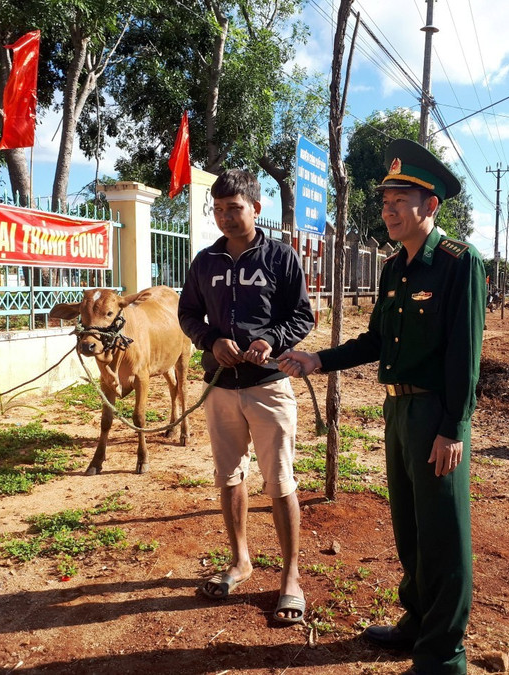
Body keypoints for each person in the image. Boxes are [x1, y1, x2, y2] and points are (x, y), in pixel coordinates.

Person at [279, 139, 486, 675]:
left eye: (400, 199)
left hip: (435, 416)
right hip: (398, 415)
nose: (388, 210)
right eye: (386, 200)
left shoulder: (458, 265)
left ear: (431, 205)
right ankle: (417, 622)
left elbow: (465, 355)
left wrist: (453, 428)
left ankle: (445, 654)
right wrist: (316, 360)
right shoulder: (395, 270)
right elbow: (374, 343)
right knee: (410, 527)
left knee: (444, 534)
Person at [178, 168, 314, 624]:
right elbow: (189, 314)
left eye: (234, 209)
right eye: (218, 210)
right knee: (229, 477)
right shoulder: (204, 263)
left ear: (256, 208)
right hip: (220, 387)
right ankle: (240, 560)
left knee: (279, 481)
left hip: (268, 387)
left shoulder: (280, 258)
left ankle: (290, 577)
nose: (225, 218)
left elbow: (303, 316)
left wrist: (271, 340)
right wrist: (210, 341)